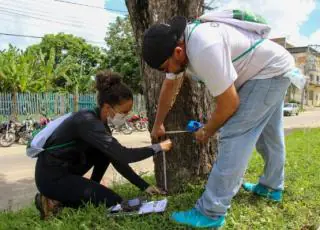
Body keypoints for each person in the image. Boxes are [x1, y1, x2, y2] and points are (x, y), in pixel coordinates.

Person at [142, 11, 296, 228]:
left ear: (177, 52)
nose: (166, 72)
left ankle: (211, 212)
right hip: (277, 68)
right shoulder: (184, 42)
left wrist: (207, 130)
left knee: (234, 134)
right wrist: (158, 122)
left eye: (165, 68)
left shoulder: (203, 48)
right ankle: (272, 187)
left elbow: (229, 104)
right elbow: (170, 86)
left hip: (268, 73)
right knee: (270, 135)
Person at [33, 70, 172, 220]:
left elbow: (117, 159)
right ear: (107, 107)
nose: (126, 117)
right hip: (51, 178)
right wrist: (159, 147)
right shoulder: (87, 122)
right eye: (124, 112)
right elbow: (124, 155)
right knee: (114, 202)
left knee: (105, 154)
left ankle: (83, 191)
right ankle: (50, 199)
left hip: (66, 173)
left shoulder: (100, 125)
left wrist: (144, 186)